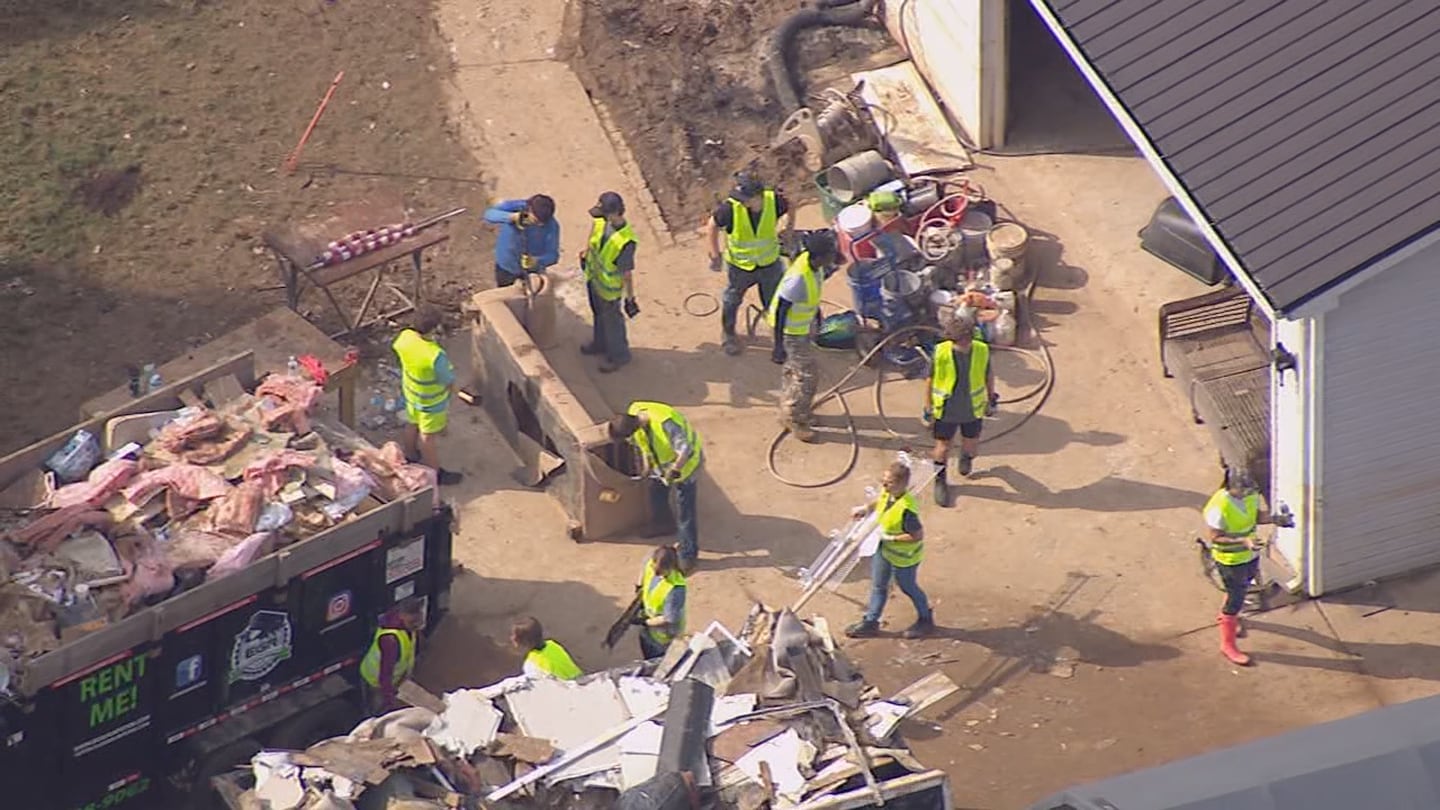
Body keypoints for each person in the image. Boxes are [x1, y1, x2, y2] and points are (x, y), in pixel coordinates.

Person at [1204, 468, 1293, 665]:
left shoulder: (1250, 495)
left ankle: (1228, 619)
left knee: (1240, 589)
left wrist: (1275, 519)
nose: (1248, 494)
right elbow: (1216, 538)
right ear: (1231, 487)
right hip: (1230, 560)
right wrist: (1243, 541)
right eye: (1244, 490)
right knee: (1235, 600)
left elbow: (1255, 516)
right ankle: (1228, 645)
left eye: (1250, 490)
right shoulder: (1219, 507)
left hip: (1250, 554)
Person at [609, 403, 703, 572]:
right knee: (655, 492)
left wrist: (675, 470)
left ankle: (688, 555)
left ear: (634, 429)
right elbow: (645, 447)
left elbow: (685, 449)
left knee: (685, 511)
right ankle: (663, 524)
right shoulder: (635, 411)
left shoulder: (665, 423)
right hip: (662, 466)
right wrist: (646, 471)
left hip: (687, 466)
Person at [707, 172, 793, 356]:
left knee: (774, 300)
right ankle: (728, 333)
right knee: (732, 299)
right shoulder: (731, 209)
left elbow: (790, 206)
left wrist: (788, 228)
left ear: (758, 197)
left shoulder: (774, 201)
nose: (741, 201)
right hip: (741, 266)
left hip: (769, 263)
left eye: (745, 198)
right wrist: (715, 254)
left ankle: (776, 332)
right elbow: (712, 225)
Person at [846, 461, 935, 639]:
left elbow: (917, 535)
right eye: (883, 480)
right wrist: (865, 509)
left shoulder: (907, 510)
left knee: (908, 587)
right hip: (885, 550)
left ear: (902, 484)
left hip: (904, 557)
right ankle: (871, 622)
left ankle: (926, 619)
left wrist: (892, 538)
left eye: (889, 482)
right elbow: (880, 502)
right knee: (878, 585)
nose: (884, 485)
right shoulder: (887, 493)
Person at [768, 230, 842, 443]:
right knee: (807, 376)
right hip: (791, 333)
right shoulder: (798, 278)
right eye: (830, 254)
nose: (832, 257)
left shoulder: (814, 266)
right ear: (819, 257)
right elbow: (782, 310)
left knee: (795, 371)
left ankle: (791, 406)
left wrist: (817, 317)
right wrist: (778, 346)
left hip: (802, 328)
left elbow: (812, 294)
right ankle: (793, 417)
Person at [925, 312, 996, 506]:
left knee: (971, 445)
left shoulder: (981, 350)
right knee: (942, 448)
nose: (962, 345)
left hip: (972, 410)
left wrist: (991, 397)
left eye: (964, 341)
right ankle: (940, 480)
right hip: (946, 410)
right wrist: (928, 406)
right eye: (957, 341)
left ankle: (966, 457)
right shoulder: (941, 352)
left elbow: (988, 374)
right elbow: (930, 380)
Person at [392, 306, 463, 485]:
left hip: (411, 393)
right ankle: (435, 472)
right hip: (432, 401)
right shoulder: (435, 355)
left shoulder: (404, 338)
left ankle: (410, 454)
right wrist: (456, 389)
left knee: (412, 422)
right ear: (433, 329)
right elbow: (447, 379)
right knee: (428, 436)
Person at [580, 191, 639, 373]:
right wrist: (585, 253)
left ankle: (619, 356)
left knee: (613, 323)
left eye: (604, 213)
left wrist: (630, 298)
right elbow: (592, 239)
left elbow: (626, 273)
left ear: (614, 213)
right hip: (594, 279)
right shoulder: (600, 221)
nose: (600, 217)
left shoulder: (626, 241)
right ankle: (600, 343)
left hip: (609, 290)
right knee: (598, 315)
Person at [359, 598, 425, 714]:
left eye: (419, 618)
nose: (417, 624)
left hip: (396, 678)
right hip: (376, 681)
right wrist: (390, 702)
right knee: (379, 714)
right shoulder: (390, 640)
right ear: (403, 615)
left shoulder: (407, 626)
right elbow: (385, 676)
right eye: (414, 621)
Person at [482, 194, 560, 289]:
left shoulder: (552, 226)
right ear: (529, 209)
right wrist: (511, 217)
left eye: (542, 223)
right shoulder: (517, 207)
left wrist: (536, 261)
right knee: (505, 293)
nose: (539, 225)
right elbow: (489, 214)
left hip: (531, 272)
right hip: (506, 265)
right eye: (536, 221)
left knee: (531, 299)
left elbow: (553, 256)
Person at [634, 545, 687, 660]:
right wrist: (639, 585)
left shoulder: (675, 589)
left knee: (657, 662)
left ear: (670, 568)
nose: (655, 573)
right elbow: (644, 569)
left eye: (661, 572)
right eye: (654, 568)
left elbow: (669, 619)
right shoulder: (651, 562)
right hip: (648, 627)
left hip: (662, 637)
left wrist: (645, 622)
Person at [511, 616, 582, 680]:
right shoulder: (552, 644)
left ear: (524, 641)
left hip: (564, 689)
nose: (512, 638)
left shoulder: (531, 664)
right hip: (578, 678)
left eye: (514, 636)